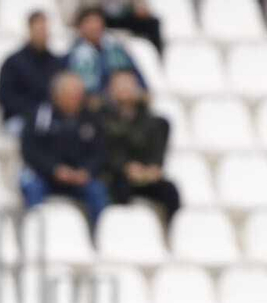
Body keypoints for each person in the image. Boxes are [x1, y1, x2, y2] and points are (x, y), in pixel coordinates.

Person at [19, 72, 111, 228]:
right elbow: (30, 150)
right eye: (69, 95)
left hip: (79, 176)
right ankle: (35, 232)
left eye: (78, 95)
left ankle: (102, 236)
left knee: (98, 190)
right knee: (31, 184)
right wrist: (54, 169)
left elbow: (100, 151)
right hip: (46, 174)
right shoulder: (41, 116)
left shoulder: (91, 118)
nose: (75, 99)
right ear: (56, 95)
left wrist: (87, 171)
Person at [100, 69, 179, 219]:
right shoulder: (101, 119)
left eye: (129, 85)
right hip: (116, 176)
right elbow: (106, 151)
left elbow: (156, 150)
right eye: (120, 85)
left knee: (170, 191)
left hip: (145, 176)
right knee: (117, 189)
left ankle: (172, 230)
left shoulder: (153, 121)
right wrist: (125, 168)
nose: (125, 89)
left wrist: (152, 167)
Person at [0, 10, 64, 136]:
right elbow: (5, 97)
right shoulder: (12, 63)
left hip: (52, 118)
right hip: (20, 118)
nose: (42, 33)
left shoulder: (56, 63)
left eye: (45, 29)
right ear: (29, 30)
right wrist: (33, 112)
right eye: (38, 29)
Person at [67, 4, 144, 102]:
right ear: (80, 27)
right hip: (91, 104)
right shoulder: (73, 56)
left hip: (122, 99)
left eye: (97, 21)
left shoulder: (117, 49)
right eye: (89, 22)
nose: (94, 26)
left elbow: (136, 75)